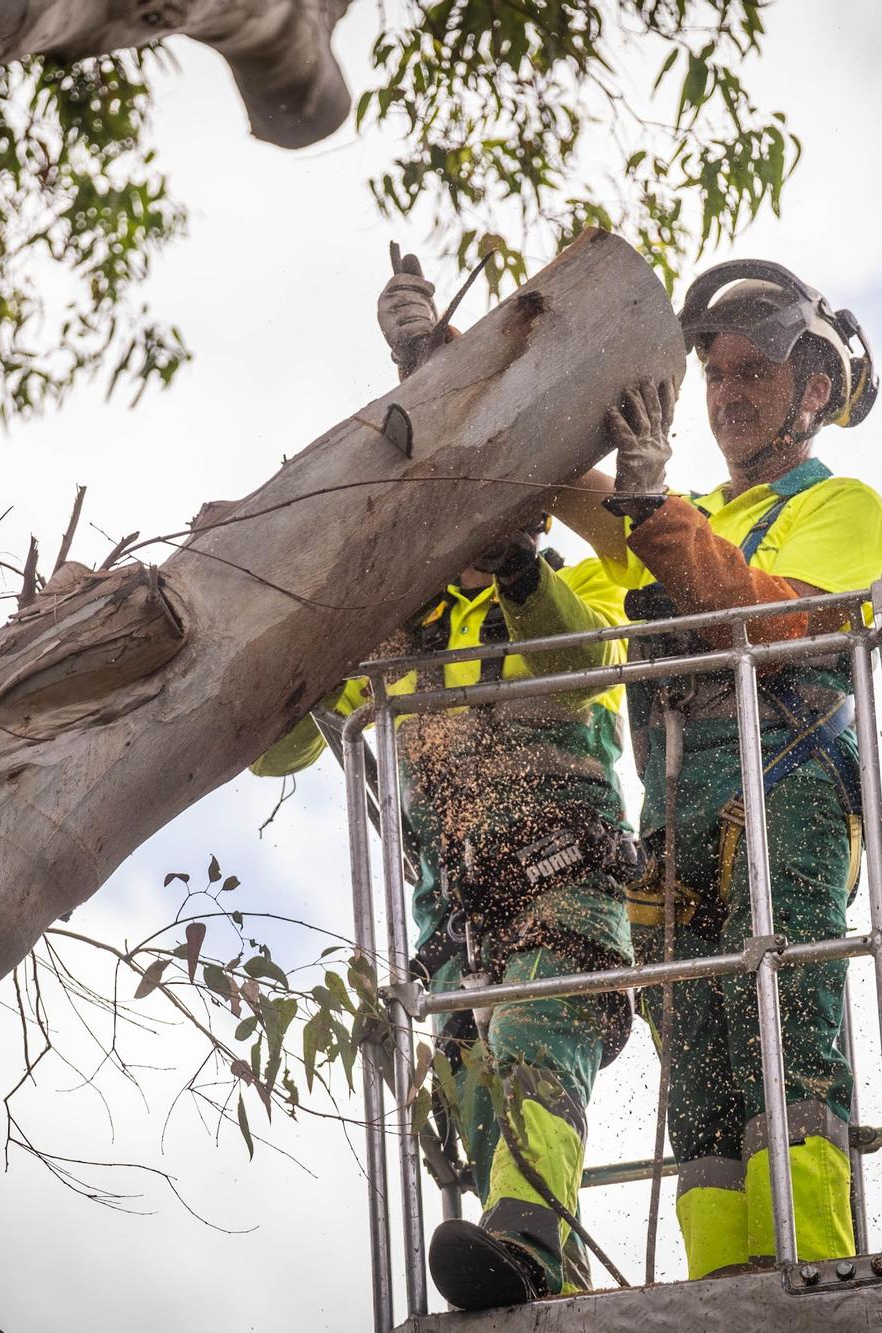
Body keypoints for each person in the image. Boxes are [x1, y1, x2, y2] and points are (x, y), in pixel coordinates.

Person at [249, 262, 646, 1311]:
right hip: (459, 917)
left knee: (536, 1037)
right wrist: (295, 622)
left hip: (566, 882)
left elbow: (575, 672)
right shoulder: (388, 638)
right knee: (474, 1085)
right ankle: (513, 1255)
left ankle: (525, 1240)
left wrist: (516, 562)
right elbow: (270, 746)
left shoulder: (569, 586)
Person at [565, 260, 882, 1279]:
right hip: (671, 816)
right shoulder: (684, 512)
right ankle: (721, 1287)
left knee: (789, 1035)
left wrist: (651, 503)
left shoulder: (839, 508)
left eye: (754, 371)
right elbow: (563, 543)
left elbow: (774, 616)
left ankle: (811, 1268)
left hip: (781, 789)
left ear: (814, 392)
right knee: (698, 1064)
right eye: (715, 375)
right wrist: (451, 378)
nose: (729, 394)